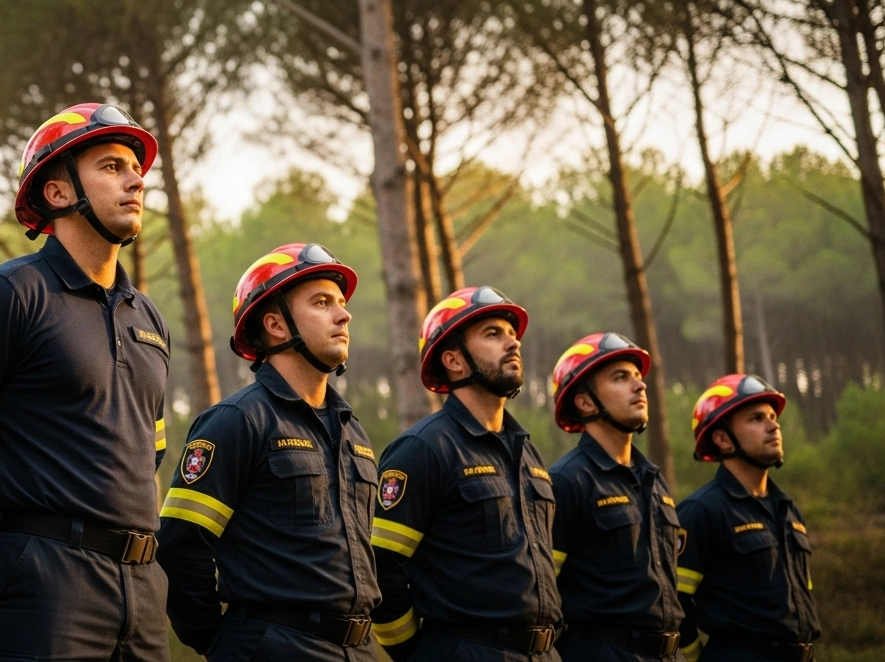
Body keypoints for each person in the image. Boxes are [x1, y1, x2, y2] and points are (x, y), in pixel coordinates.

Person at [0, 103, 172, 661]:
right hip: (39, 584)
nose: (135, 179)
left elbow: (143, 465)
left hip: (141, 592)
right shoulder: (7, 296)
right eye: (111, 166)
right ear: (58, 193)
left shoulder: (150, 320)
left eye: (136, 168)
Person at [158, 243, 380, 660]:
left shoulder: (355, 435)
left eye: (342, 302)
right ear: (276, 325)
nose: (343, 314)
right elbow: (180, 545)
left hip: (359, 650)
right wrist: (220, 642)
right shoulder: (236, 421)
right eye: (322, 302)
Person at [370, 286, 561, 661]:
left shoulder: (528, 453)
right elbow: (382, 567)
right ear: (454, 361)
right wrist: (415, 652)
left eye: (512, 334)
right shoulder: (423, 449)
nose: (513, 343)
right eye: (493, 334)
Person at [547, 333, 683, 660]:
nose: (640, 386)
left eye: (638, 377)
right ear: (585, 402)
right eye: (621, 377)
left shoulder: (653, 480)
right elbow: (541, 592)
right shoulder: (566, 481)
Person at [676, 375, 819, 662]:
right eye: (756, 418)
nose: (773, 425)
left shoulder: (788, 510)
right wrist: (694, 658)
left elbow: (803, 595)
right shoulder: (701, 511)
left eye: (771, 416)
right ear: (722, 439)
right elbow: (674, 604)